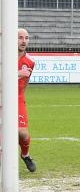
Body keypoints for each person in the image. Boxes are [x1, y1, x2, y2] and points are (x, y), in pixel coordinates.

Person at [18, 28, 37, 172]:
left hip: (18, 98)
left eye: (26, 38)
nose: (24, 41)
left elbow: (26, 83)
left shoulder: (30, 61)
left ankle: (25, 155)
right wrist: (17, 73)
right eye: (20, 37)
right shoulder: (3, 57)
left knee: (23, 134)